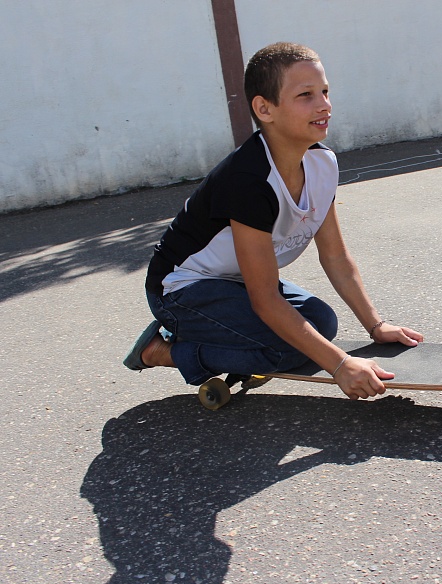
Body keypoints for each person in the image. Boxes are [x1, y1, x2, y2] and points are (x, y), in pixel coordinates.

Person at [123, 42, 423, 401]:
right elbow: (265, 299)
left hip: (234, 284)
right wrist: (340, 365)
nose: (324, 104)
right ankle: (164, 350)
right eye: (306, 95)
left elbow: (336, 258)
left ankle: (230, 338)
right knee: (287, 349)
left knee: (321, 324)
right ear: (265, 108)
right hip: (182, 290)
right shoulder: (248, 181)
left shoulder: (321, 164)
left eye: (325, 91)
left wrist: (375, 326)